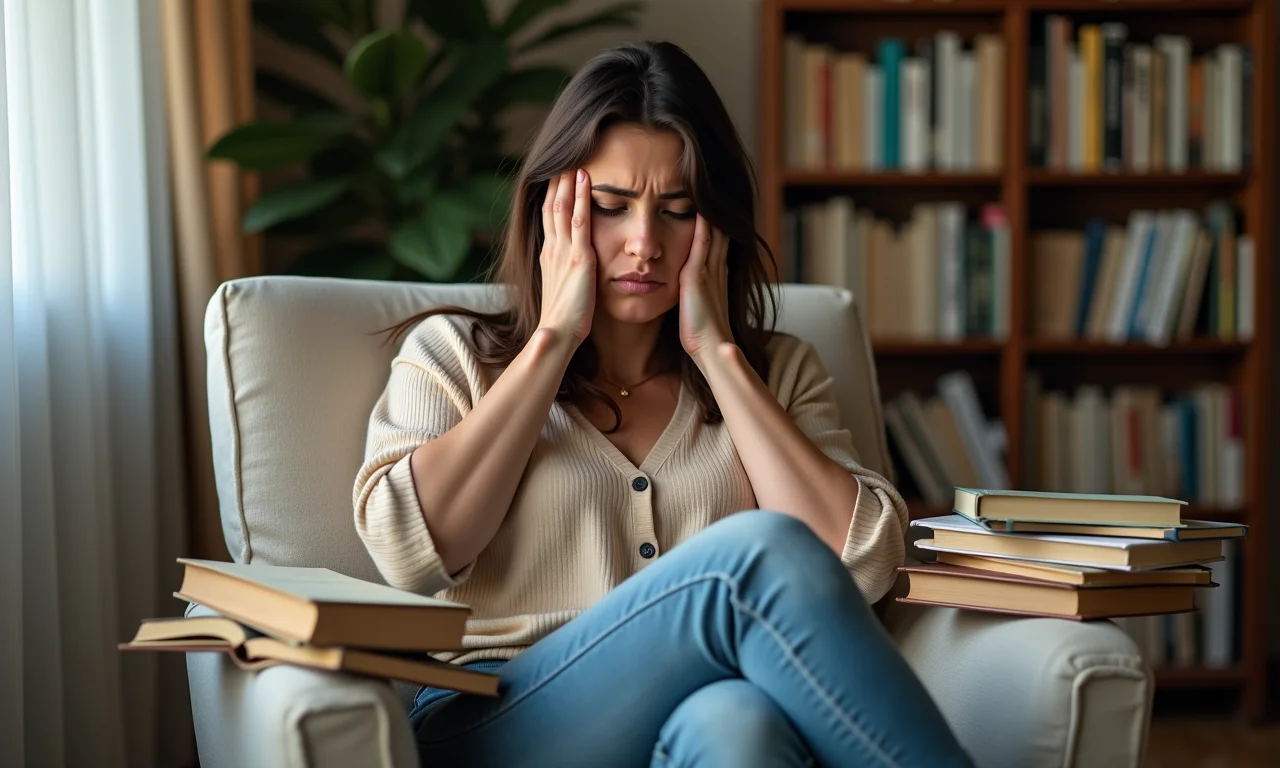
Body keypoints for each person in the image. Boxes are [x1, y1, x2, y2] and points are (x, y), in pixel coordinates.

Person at [353, 40, 971, 768]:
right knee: (756, 556)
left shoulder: (777, 372)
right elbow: (409, 551)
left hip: (700, 715)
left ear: (715, 226)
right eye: (611, 208)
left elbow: (861, 563)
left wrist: (720, 356)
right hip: (495, 721)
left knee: (737, 723)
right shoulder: (453, 355)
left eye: (677, 212)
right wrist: (553, 339)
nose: (644, 243)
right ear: (553, 212)